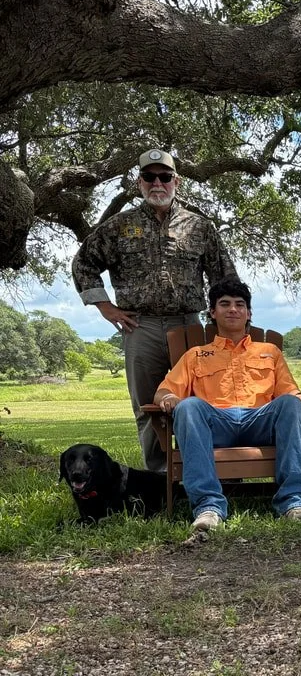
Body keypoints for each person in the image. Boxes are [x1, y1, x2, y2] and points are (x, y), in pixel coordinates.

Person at [72, 149, 238, 472]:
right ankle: (159, 478)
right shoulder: (120, 226)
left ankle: (206, 470)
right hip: (140, 328)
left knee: (202, 400)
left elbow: (225, 277)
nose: (157, 183)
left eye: (164, 177)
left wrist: (224, 323)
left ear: (176, 181)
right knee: (148, 407)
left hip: (190, 327)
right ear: (140, 182)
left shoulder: (200, 227)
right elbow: (83, 263)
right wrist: (106, 308)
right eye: (149, 177)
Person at [153, 279, 301, 531]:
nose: (233, 309)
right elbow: (165, 391)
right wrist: (167, 399)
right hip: (215, 423)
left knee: (291, 404)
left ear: (249, 313)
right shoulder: (195, 355)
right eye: (225, 304)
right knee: (188, 406)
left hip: (259, 422)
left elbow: (288, 391)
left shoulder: (269, 351)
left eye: (240, 304)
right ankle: (208, 507)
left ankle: (293, 504)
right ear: (212, 312)